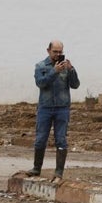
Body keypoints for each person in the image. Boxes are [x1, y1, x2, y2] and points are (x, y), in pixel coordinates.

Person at [26, 40, 80, 183]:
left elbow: (75, 85)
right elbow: (41, 83)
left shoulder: (66, 67)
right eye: (55, 51)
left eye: (60, 52)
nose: (57, 54)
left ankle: (59, 172)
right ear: (48, 51)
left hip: (62, 108)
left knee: (61, 139)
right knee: (40, 139)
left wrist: (72, 69)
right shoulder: (41, 66)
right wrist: (54, 72)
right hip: (45, 107)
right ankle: (37, 168)